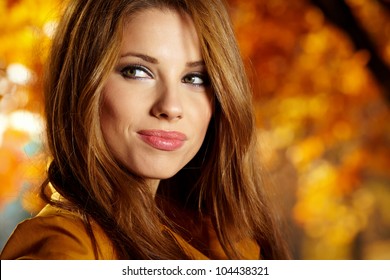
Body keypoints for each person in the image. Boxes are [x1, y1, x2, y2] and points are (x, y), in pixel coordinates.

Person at [1, 0, 290, 260]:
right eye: (137, 71)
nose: (171, 106)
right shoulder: (65, 247)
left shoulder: (225, 239)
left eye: (194, 77)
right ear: (81, 85)